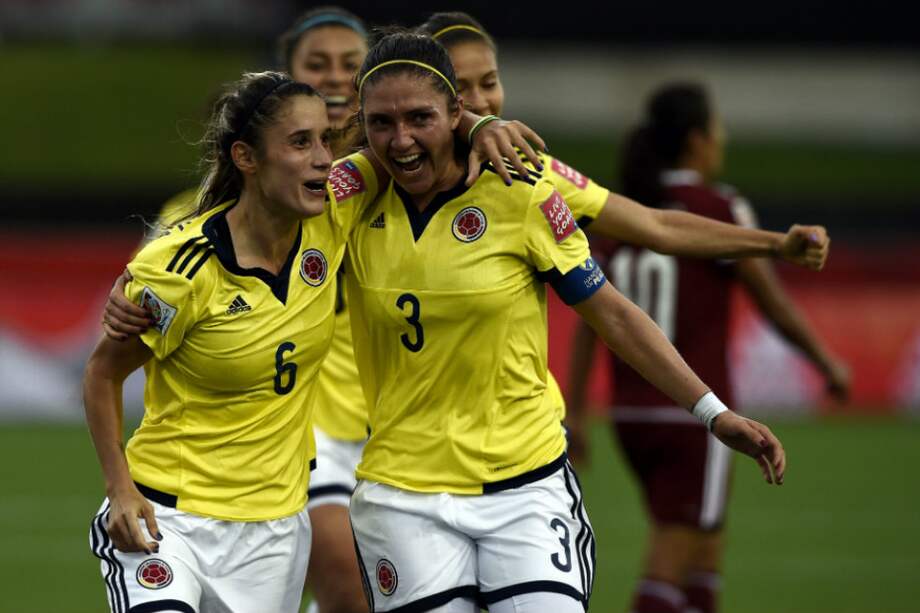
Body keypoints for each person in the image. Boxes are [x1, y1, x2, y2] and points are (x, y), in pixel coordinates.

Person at [336, 32, 783, 613]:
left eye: (421, 117)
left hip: (525, 485)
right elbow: (275, 185)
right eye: (382, 124)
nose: (402, 141)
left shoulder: (521, 189)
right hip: (402, 494)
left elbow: (614, 314)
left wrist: (712, 412)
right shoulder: (347, 197)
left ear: (454, 112)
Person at [416, 12, 831, 459]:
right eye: (463, 88)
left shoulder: (532, 175)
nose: (483, 100)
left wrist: (775, 244)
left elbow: (656, 226)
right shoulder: (376, 176)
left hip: (516, 450)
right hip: (406, 443)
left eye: (490, 81)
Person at [567, 82, 850, 613]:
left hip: (629, 414)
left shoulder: (622, 211)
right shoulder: (717, 209)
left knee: (704, 551)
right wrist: (825, 361)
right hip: (695, 412)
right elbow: (773, 303)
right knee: (672, 556)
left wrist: (578, 410)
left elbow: (590, 319)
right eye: (717, 130)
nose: (721, 140)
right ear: (698, 140)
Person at [84, 71, 346, 613]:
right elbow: (103, 373)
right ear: (247, 158)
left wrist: (481, 122)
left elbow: (414, 138)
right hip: (167, 517)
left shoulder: (336, 220)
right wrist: (120, 489)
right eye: (301, 142)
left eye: (327, 139)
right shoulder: (178, 268)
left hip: (274, 533)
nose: (324, 158)